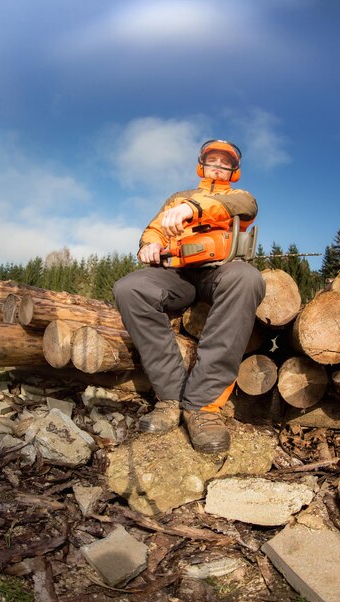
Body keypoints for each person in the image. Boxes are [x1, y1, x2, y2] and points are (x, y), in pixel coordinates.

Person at [113, 139, 265, 454]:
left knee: (247, 278)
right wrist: (148, 244)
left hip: (220, 271)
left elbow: (245, 209)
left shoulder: (239, 197)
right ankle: (169, 397)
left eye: (226, 163)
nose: (219, 166)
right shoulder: (179, 196)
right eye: (214, 160)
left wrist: (193, 209)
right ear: (202, 163)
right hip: (177, 274)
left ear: (234, 170)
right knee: (130, 288)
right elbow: (154, 229)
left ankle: (203, 405)